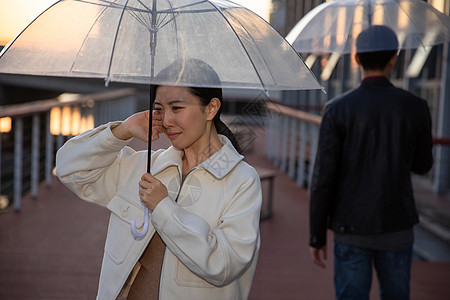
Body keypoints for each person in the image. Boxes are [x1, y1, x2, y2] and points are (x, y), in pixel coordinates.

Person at [55, 59, 262, 299]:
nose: (165, 121)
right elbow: (70, 169)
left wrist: (164, 208)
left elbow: (223, 266)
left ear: (211, 108)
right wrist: (123, 130)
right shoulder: (146, 167)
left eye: (176, 108)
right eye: (160, 109)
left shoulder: (242, 181)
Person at [309, 26, 433, 300]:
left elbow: (323, 178)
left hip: (350, 227)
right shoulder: (415, 106)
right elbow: (423, 165)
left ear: (356, 59)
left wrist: (316, 235)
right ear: (393, 59)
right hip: (397, 224)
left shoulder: (337, 109)